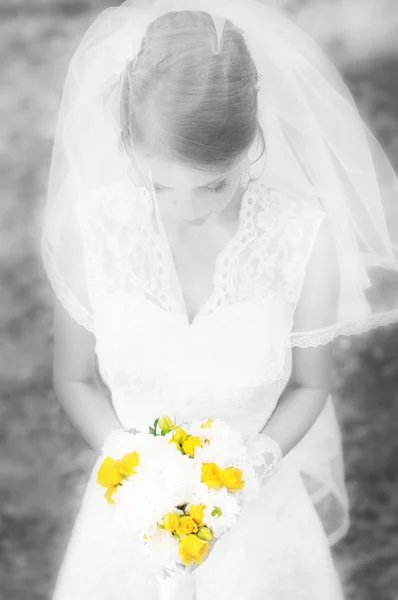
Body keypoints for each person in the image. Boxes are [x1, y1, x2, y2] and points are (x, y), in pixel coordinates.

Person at [40, 1, 398, 598]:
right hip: (131, 517)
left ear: (253, 143)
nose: (190, 209)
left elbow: (310, 384)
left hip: (255, 516)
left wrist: (251, 469)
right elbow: (73, 379)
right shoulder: (92, 232)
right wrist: (132, 468)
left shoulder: (302, 240)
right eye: (160, 185)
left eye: (214, 183)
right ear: (126, 144)